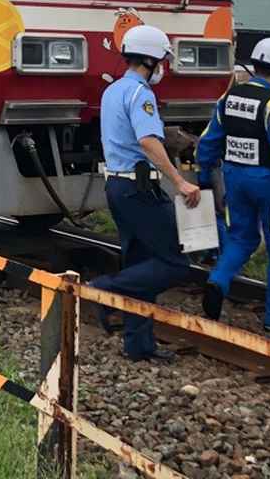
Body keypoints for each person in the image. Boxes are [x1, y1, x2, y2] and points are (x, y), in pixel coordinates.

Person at [89, 24, 202, 363]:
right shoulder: (141, 94)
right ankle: (103, 290)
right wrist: (179, 182)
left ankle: (139, 346)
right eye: (162, 61)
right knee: (176, 260)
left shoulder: (113, 90)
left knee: (140, 262)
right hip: (139, 188)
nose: (163, 68)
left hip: (118, 186)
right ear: (151, 60)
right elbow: (148, 140)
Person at [196, 37, 270, 332]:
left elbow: (208, 140)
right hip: (269, 184)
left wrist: (204, 176)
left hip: (234, 179)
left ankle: (217, 281)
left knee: (241, 239)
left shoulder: (230, 98)